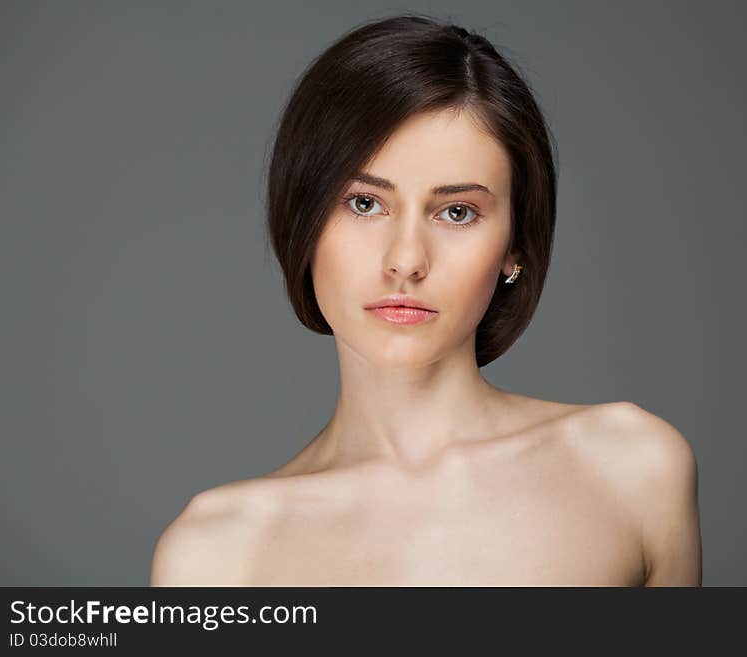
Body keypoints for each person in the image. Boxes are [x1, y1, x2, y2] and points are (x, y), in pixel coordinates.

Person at [150, 13, 701, 586]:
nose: (406, 259)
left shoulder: (630, 468)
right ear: (303, 221)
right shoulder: (216, 556)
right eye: (364, 203)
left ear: (516, 245)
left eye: (456, 211)